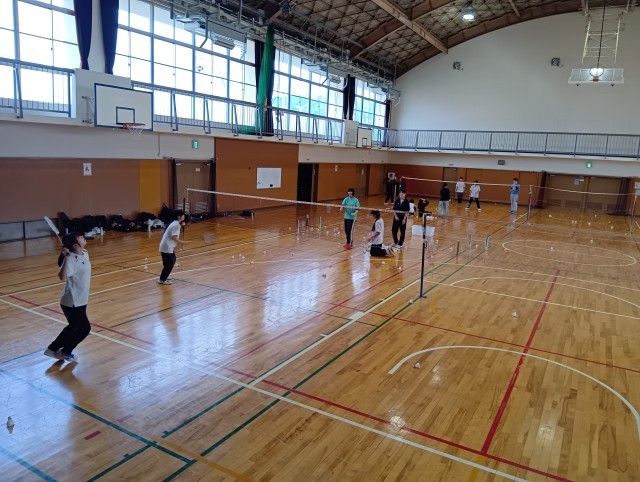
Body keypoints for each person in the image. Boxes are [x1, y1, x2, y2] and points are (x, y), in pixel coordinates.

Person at [44, 233, 91, 363]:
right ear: (75, 244)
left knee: (73, 327)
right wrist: (65, 259)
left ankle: (52, 349)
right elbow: (62, 277)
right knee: (84, 329)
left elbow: (76, 254)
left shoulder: (84, 253)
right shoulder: (70, 261)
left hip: (81, 299)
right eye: (80, 237)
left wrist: (66, 252)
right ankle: (65, 351)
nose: (83, 237)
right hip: (72, 301)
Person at [159, 209, 189, 285]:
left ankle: (164, 276)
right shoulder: (176, 225)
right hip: (167, 246)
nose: (184, 216)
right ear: (179, 217)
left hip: (166, 246)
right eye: (183, 215)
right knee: (170, 263)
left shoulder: (174, 223)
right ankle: (162, 279)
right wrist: (182, 242)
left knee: (171, 261)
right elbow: (173, 237)